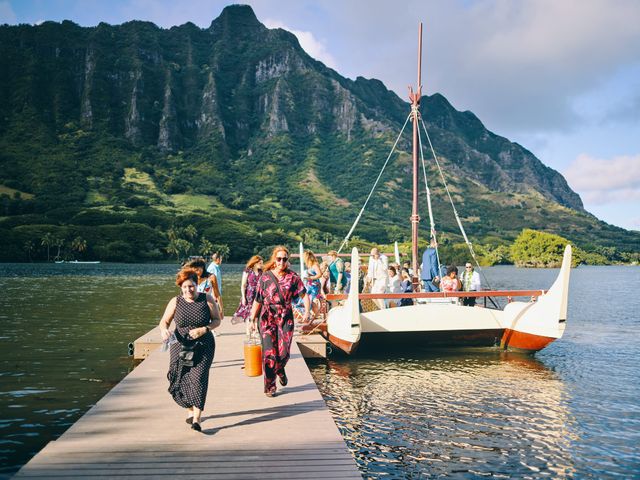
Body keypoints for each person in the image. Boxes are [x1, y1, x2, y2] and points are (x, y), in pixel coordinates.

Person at [159, 268, 221, 432]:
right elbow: (164, 321)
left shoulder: (206, 299)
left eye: (191, 286)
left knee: (199, 377)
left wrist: (204, 329)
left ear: (197, 284)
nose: (188, 290)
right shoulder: (176, 301)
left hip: (203, 345)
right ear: (181, 287)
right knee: (179, 377)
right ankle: (189, 407)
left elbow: (217, 320)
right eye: (185, 287)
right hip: (179, 344)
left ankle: (197, 419)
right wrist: (164, 330)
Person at [249, 246, 310, 397]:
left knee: (284, 354)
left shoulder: (293, 277)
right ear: (274, 260)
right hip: (267, 317)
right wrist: (252, 319)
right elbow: (257, 300)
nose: (282, 261)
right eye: (279, 259)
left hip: (285, 317)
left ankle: (280, 369)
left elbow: (304, 296)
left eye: (285, 259)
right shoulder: (265, 277)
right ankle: (270, 386)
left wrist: (307, 312)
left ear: (287, 261)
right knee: (269, 353)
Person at [184, 258, 224, 332]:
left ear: (202, 268)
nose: (196, 272)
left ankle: (209, 330)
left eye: (198, 270)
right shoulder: (191, 278)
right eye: (194, 270)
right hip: (193, 303)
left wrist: (221, 309)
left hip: (207, 303)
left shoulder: (211, 277)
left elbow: (217, 294)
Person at [233, 255, 263, 334]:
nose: (261, 265)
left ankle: (255, 332)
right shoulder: (248, 271)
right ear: (255, 263)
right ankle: (248, 331)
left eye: (261, 263)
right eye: (260, 263)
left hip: (259, 294)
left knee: (257, 312)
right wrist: (243, 297)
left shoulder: (262, 271)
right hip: (249, 295)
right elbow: (243, 285)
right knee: (249, 313)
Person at [294, 250, 322, 320]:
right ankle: (315, 315)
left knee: (312, 300)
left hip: (314, 286)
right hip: (309, 285)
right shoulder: (310, 265)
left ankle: (317, 315)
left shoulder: (314, 264)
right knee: (309, 300)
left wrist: (311, 278)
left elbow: (320, 274)